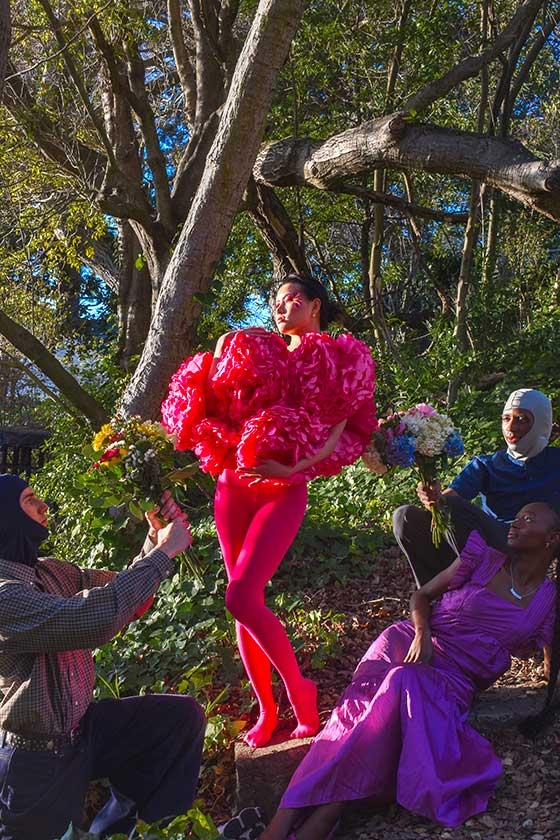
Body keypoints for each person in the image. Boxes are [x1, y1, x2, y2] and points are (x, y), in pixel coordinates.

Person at [162, 274, 376, 747]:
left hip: (282, 489)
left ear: (315, 305)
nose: (281, 308)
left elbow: (340, 428)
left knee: (241, 595)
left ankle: (301, 692)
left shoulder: (338, 355)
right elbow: (220, 408)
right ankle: (268, 711)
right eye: (276, 302)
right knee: (243, 607)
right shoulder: (256, 351)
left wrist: (293, 463)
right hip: (231, 487)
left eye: (292, 300)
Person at [260, 501, 560, 839]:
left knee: (400, 684)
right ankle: (287, 820)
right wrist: (422, 633)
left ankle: (329, 810)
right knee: (355, 711)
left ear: (551, 539)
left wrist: (547, 694)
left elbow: (549, 654)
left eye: (528, 519)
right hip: (411, 643)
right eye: (516, 515)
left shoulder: (548, 602)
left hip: (452, 679)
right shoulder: (484, 559)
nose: (515, 522)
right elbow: (421, 595)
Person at [0, 474, 205, 840]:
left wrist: (152, 545)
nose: (44, 506)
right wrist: (162, 556)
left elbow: (122, 596)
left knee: (178, 719)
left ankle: (137, 831)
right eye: (30, 500)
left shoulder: (49, 570)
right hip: (35, 759)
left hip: (83, 732)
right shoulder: (5, 597)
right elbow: (94, 619)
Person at [393, 388, 560, 587]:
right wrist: (433, 497)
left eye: (522, 419)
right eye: (506, 418)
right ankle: (438, 598)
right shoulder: (487, 464)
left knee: (451, 506)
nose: (510, 427)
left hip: (532, 547)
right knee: (404, 516)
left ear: (541, 423)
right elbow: (449, 500)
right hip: (492, 544)